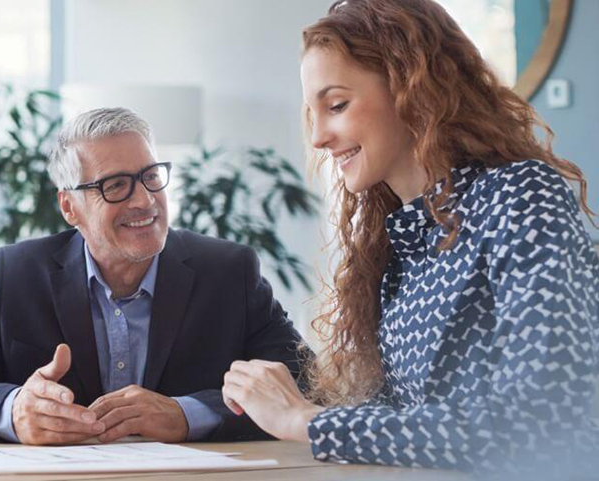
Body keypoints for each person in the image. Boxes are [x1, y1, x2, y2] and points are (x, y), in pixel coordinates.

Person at [222, 0, 599, 476]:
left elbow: (541, 420)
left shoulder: (521, 195)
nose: (317, 137)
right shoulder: (399, 241)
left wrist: (309, 420)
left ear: (412, 89)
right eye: (311, 113)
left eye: (336, 105)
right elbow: (404, 424)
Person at [0, 107, 305, 445]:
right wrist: (14, 411)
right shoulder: (19, 275)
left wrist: (187, 414)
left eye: (150, 176)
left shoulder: (228, 272)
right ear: (69, 207)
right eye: (116, 186)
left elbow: (306, 386)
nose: (144, 201)